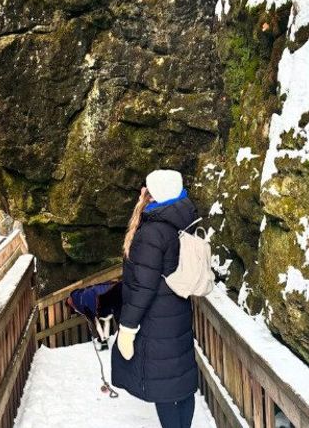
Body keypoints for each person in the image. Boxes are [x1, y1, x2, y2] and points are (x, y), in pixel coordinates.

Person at [112, 169, 200, 428]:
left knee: (165, 390)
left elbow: (143, 286)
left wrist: (127, 327)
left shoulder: (152, 232)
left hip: (157, 321)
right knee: (181, 386)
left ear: (152, 195)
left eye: (145, 188)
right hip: (177, 316)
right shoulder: (183, 220)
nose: (141, 191)